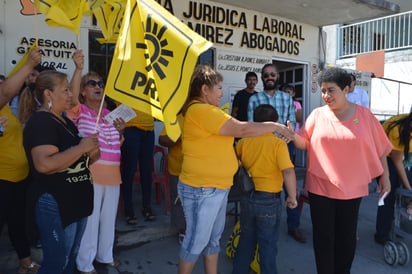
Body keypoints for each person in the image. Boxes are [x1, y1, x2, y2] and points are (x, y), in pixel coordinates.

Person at [177, 64, 294, 274]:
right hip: (202, 188)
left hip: (215, 187)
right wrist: (276, 127)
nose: (221, 93)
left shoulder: (207, 111)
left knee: (212, 241)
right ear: (205, 89)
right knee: (195, 243)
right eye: (219, 88)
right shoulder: (201, 110)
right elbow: (243, 128)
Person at [289, 67, 392, 274]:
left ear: (346, 89)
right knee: (323, 238)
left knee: (346, 238)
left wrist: (385, 176)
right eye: (323, 90)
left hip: (353, 189)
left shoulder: (365, 116)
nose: (326, 95)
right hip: (321, 187)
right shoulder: (318, 115)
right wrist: (291, 135)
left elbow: (380, 147)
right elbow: (304, 143)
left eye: (331, 90)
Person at [23, 70, 100, 274]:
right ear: (48, 94)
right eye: (65, 90)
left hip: (75, 200)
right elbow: (44, 165)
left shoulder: (65, 121)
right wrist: (81, 148)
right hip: (55, 201)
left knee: (69, 259)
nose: (70, 95)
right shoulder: (41, 122)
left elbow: (81, 161)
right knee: (57, 263)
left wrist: (92, 151)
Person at [65, 51, 124, 273]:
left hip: (113, 175)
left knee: (108, 219)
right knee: (90, 222)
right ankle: (85, 263)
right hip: (90, 173)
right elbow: (69, 98)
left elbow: (117, 144)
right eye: (92, 83)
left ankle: (105, 255)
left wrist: (121, 131)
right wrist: (79, 69)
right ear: (83, 91)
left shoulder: (111, 113)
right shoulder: (79, 111)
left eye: (100, 83)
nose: (98, 86)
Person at [231, 104, 297, 274]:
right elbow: (288, 171)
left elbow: (237, 165)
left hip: (247, 196)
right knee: (267, 244)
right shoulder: (277, 144)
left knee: (246, 239)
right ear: (275, 122)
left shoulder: (243, 142)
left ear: (255, 121)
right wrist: (292, 196)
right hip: (269, 199)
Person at [247, 63, 305, 243]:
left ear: (277, 77)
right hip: (263, 148)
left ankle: (293, 226)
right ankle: (267, 224)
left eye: (273, 74)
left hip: (284, 146)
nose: (270, 77)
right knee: (266, 187)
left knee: (289, 184)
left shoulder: (286, 98)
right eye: (266, 75)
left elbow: (291, 124)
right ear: (262, 78)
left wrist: (286, 138)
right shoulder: (254, 100)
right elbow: (251, 125)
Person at [0, 48, 41, 274]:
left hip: (19, 177)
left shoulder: (7, 108)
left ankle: (25, 261)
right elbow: (6, 92)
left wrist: (29, 59)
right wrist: (28, 65)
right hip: (2, 178)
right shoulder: (2, 101)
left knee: (18, 223)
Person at [375, 111, 412, 244]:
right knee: (388, 192)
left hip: (403, 155)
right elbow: (397, 161)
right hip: (384, 157)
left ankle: (401, 227)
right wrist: (409, 189)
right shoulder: (398, 130)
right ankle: (382, 234)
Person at [121, 107, 155, 223]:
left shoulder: (152, 87)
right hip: (130, 127)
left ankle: (147, 206)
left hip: (149, 128)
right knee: (128, 170)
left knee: (147, 171)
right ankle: (128, 209)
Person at [158, 114, 186, 244]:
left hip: (198, 171)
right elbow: (162, 139)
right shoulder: (175, 119)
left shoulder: (204, 116)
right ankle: (182, 230)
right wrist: (176, 138)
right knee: (178, 200)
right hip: (177, 169)